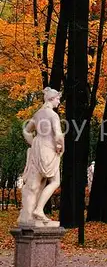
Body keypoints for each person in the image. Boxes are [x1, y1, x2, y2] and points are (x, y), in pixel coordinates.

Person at [18, 87, 64, 225]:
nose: (59, 102)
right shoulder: (53, 115)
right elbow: (57, 134)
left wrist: (33, 144)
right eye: (57, 99)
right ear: (51, 99)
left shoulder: (38, 114)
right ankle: (38, 209)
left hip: (38, 148)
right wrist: (61, 146)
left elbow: (26, 131)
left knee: (36, 183)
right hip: (49, 149)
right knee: (55, 181)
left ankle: (29, 214)